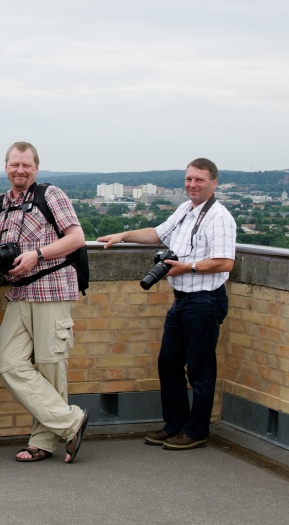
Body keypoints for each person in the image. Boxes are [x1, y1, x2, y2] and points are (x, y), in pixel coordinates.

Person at [98, 158, 236, 450]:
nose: (192, 185)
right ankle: (175, 425)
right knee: (168, 363)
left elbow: (225, 262)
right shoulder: (185, 210)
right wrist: (123, 235)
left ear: (214, 182)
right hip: (183, 300)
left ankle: (196, 431)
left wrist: (187, 267)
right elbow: (157, 234)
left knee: (200, 369)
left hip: (205, 300)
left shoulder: (219, 217)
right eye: (189, 179)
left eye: (199, 180)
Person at [0, 142, 90, 464]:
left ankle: (42, 441)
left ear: (36, 168)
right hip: (20, 292)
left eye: (26, 165)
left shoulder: (50, 195)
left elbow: (77, 238)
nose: (20, 170)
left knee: (50, 367)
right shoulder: (2, 203)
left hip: (52, 288)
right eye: (14, 164)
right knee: (10, 364)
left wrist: (38, 254)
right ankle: (71, 422)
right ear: (6, 166)